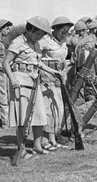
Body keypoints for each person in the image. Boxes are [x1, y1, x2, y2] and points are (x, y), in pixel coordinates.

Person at [3, 16, 63, 157]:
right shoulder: (18, 43)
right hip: (20, 81)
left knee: (40, 114)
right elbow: (6, 63)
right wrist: (12, 79)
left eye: (42, 35)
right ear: (30, 29)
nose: (40, 37)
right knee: (23, 118)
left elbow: (37, 62)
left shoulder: (36, 43)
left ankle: (37, 146)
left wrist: (53, 71)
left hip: (34, 80)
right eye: (38, 34)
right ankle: (21, 149)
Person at [37, 16, 74, 151]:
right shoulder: (45, 41)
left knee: (57, 110)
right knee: (48, 111)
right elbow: (35, 57)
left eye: (68, 31)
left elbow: (63, 60)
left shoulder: (63, 42)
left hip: (59, 79)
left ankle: (52, 139)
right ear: (55, 29)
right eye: (63, 31)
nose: (65, 34)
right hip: (46, 78)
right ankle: (43, 140)